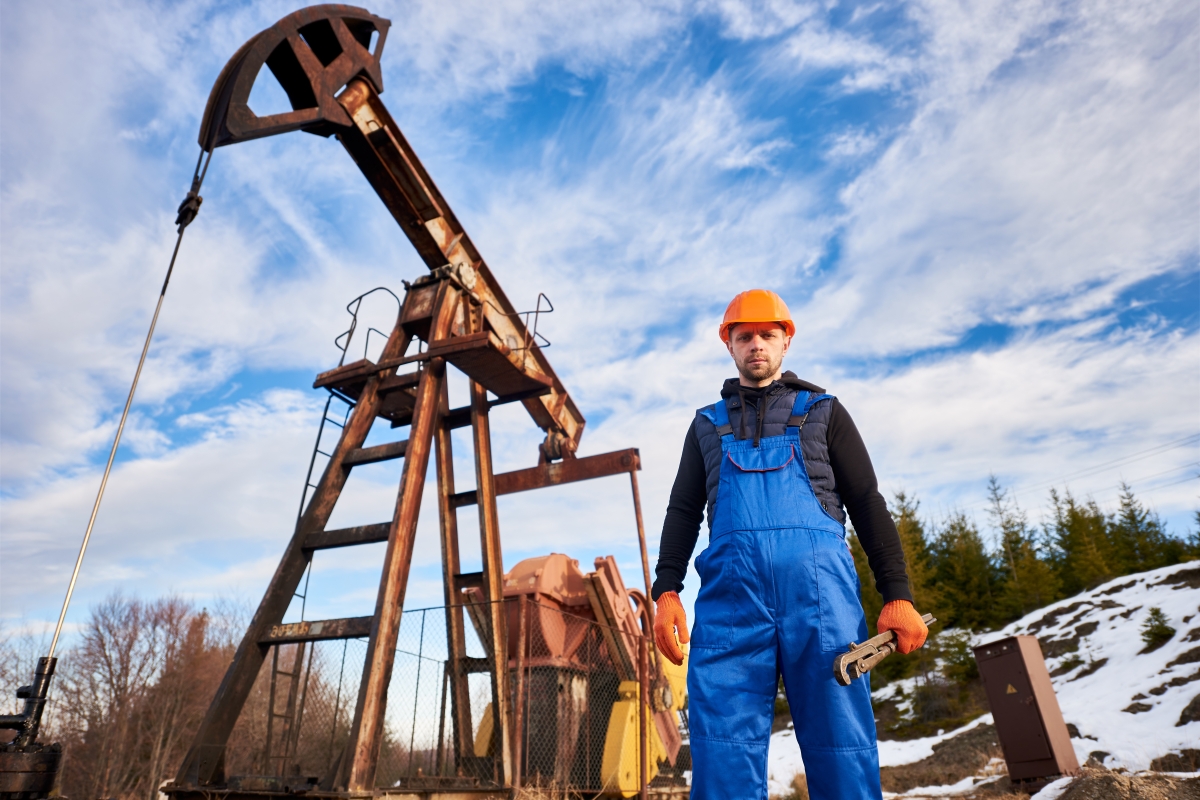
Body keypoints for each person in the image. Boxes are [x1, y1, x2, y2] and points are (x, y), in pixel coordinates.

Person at [651, 289, 929, 800]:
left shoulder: (824, 412)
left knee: (840, 743)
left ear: (786, 341)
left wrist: (898, 594)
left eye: (767, 335)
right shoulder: (706, 425)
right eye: (744, 336)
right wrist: (666, 591)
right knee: (722, 748)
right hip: (733, 606)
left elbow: (867, 502)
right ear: (728, 344)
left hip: (820, 604)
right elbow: (683, 511)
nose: (756, 344)